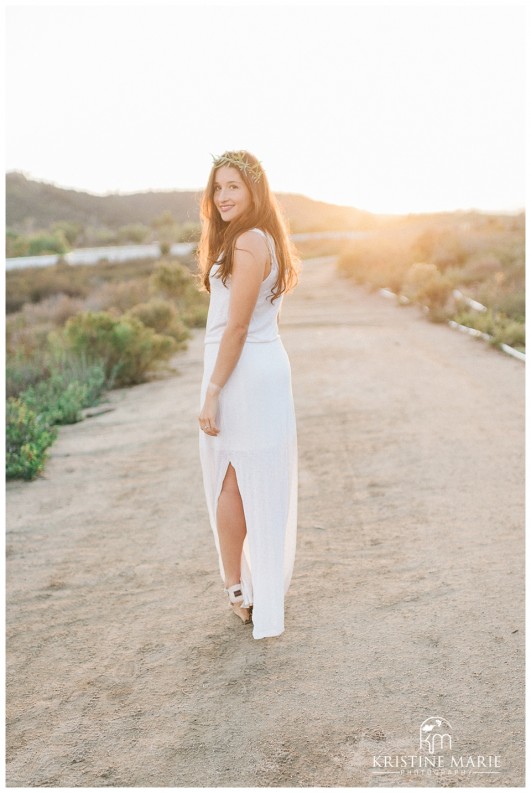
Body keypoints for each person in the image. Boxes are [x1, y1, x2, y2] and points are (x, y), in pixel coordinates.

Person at [196, 150, 301, 640]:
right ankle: (246, 586)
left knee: (229, 480)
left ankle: (237, 588)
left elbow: (237, 326)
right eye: (217, 188)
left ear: (254, 191)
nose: (222, 197)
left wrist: (213, 390)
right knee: (244, 478)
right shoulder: (262, 240)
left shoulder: (247, 243)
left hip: (239, 373)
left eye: (233, 186)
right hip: (259, 367)